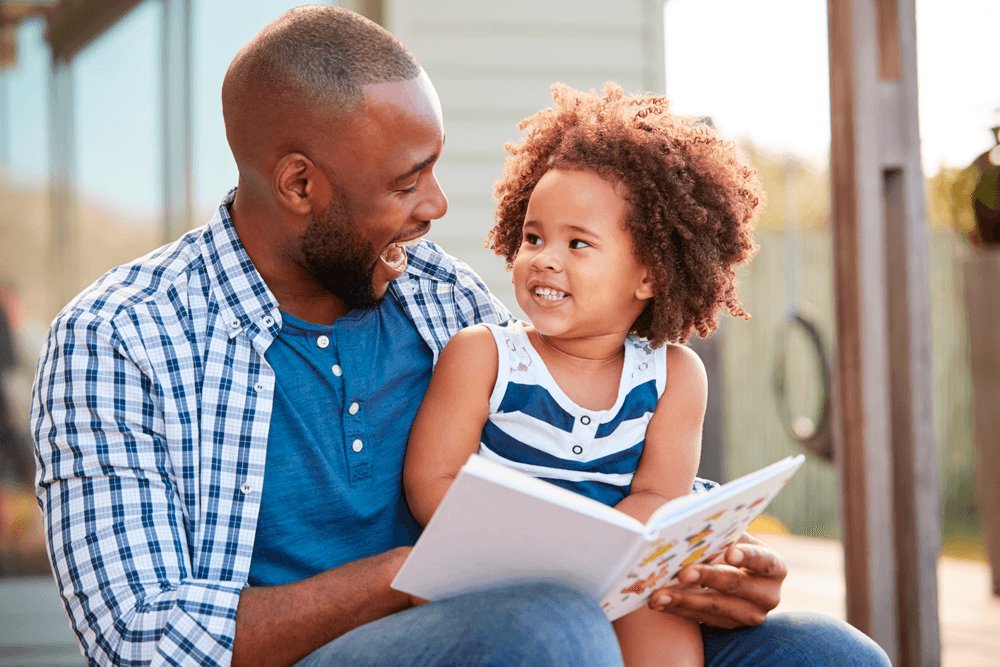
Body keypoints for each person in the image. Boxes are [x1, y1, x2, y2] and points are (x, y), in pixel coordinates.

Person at [31, 5, 890, 666]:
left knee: (829, 653)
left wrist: (705, 557)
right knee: (549, 629)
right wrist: (412, 576)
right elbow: (143, 639)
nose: (439, 206)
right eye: (409, 181)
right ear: (300, 183)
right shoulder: (122, 338)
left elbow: (584, 454)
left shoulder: (442, 295)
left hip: (528, 625)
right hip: (355, 648)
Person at [404, 83, 763, 667]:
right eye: (534, 237)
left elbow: (657, 496)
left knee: (658, 611)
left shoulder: (674, 376)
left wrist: (593, 552)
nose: (545, 258)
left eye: (578, 244)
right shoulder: (485, 356)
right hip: (494, 573)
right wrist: (536, 553)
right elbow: (432, 481)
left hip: (615, 567)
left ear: (648, 275)